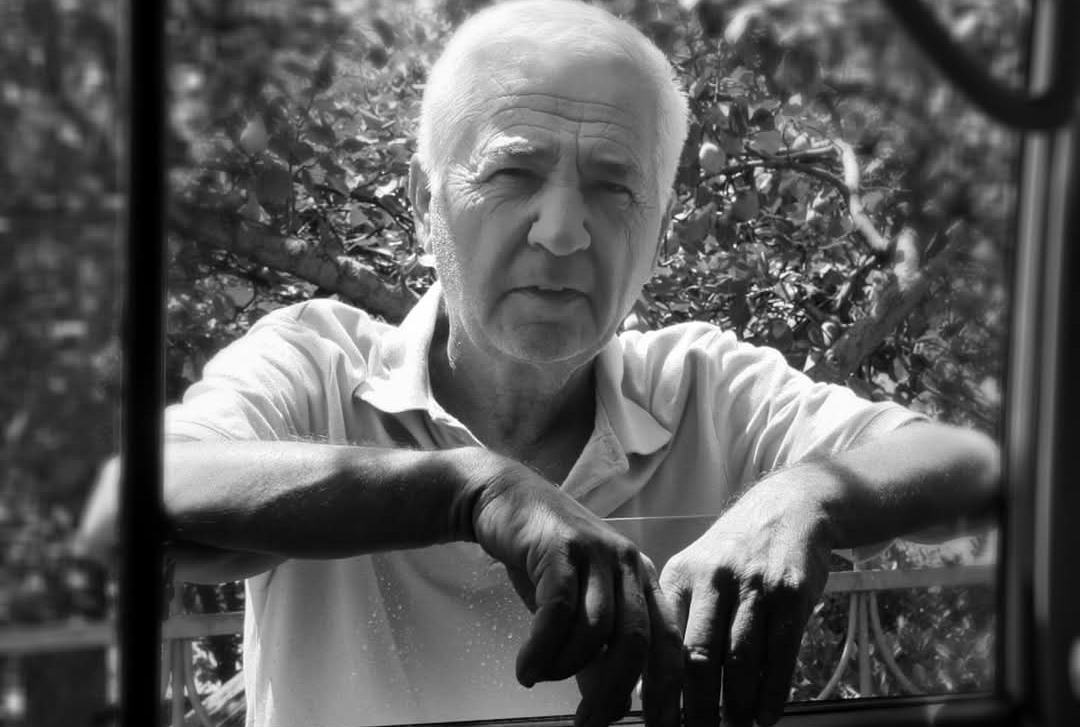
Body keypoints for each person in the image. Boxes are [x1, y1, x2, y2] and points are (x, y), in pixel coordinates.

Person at [88, 1, 1000, 726]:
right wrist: (471, 490)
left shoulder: (708, 387)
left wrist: (806, 496)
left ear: (660, 228)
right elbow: (134, 496)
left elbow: (971, 465)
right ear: (423, 200)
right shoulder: (314, 365)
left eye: (613, 186)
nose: (562, 232)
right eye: (511, 174)